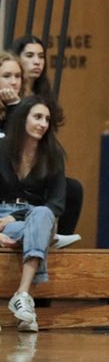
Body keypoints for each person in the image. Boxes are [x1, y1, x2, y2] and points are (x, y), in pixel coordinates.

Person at [0, 95, 68, 332]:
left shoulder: (54, 154)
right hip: (4, 219)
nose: (43, 124)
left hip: (35, 216)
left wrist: (19, 217)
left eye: (47, 119)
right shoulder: (2, 148)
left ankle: (22, 294)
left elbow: (57, 204)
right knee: (36, 231)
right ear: (23, 119)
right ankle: (25, 306)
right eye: (37, 117)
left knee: (41, 215)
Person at [10, 35, 82, 245]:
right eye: (30, 55)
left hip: (35, 162)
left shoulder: (44, 95)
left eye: (41, 56)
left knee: (73, 189)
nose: (37, 61)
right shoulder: (8, 90)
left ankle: (57, 240)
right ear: (17, 59)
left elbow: (46, 140)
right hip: (13, 164)